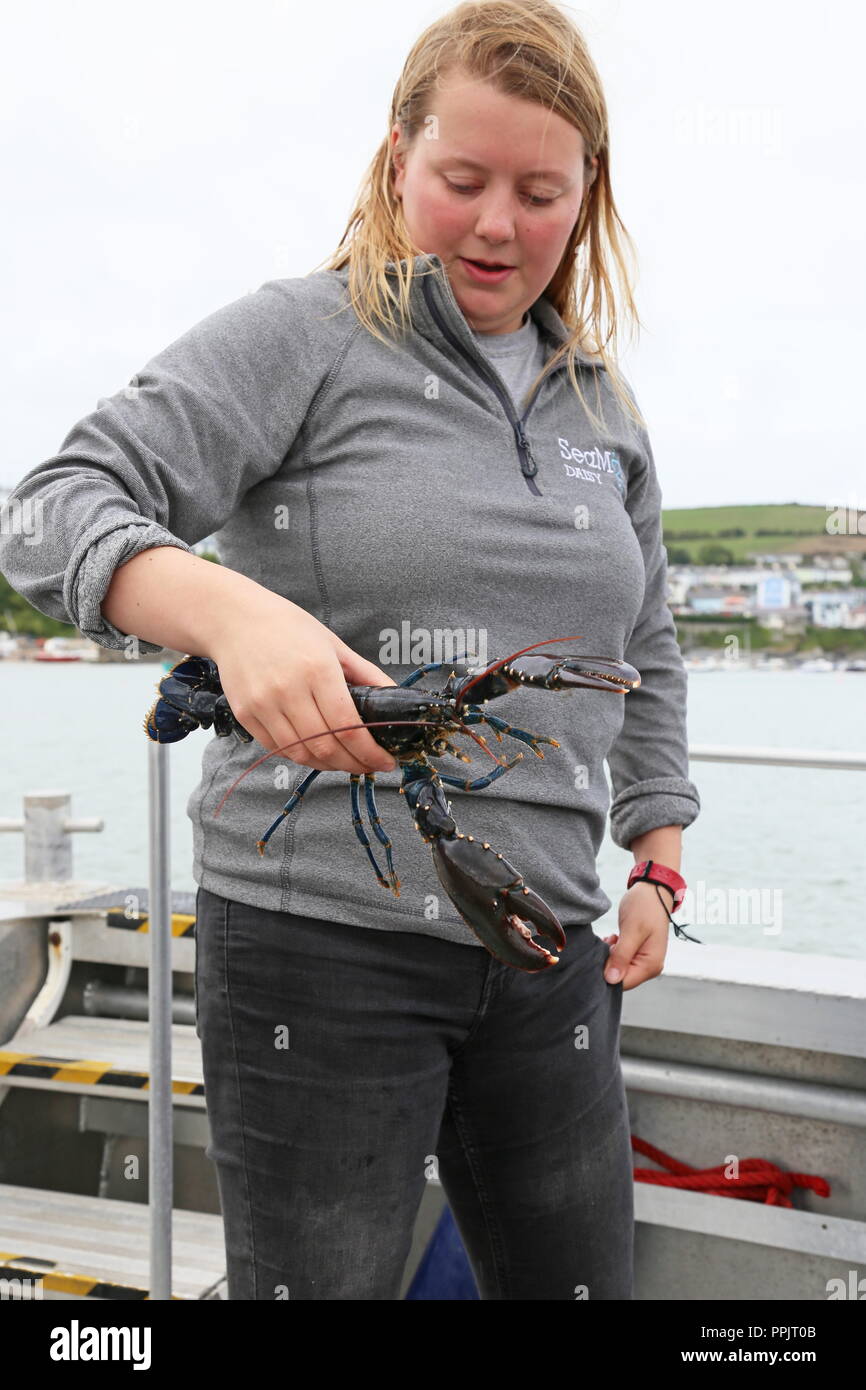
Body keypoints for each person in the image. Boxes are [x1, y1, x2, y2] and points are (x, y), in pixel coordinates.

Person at [0, 0, 700, 1299]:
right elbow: (47, 507)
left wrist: (659, 857)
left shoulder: (601, 399)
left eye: (538, 191)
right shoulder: (303, 339)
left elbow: (644, 638)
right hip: (321, 949)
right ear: (396, 166)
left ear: (586, 195)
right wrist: (226, 612)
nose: (498, 223)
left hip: (549, 948)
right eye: (462, 180)